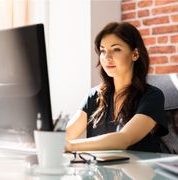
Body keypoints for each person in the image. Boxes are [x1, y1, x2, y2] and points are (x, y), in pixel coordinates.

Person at [65, 22, 168, 153]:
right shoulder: (95, 95)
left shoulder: (152, 96)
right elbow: (67, 135)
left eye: (116, 49)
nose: (107, 57)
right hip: (100, 172)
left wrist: (72, 146)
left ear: (135, 54)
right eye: (103, 51)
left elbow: (123, 139)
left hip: (137, 171)